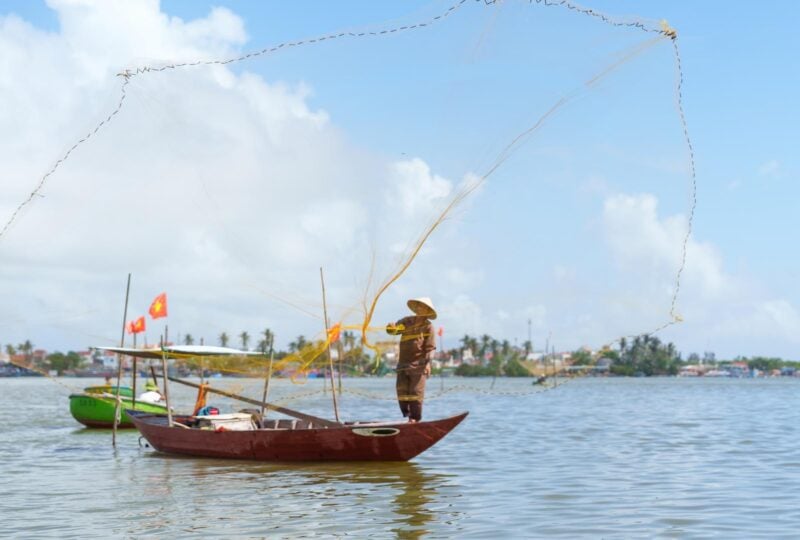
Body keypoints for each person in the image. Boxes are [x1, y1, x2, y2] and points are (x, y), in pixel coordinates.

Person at [386, 297, 437, 423]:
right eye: (418, 306)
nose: (420, 308)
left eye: (423, 307)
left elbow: (430, 348)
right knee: (402, 392)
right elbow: (393, 331)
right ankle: (408, 417)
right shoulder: (407, 321)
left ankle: (415, 419)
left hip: (419, 366)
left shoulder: (428, 327)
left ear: (427, 310)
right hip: (403, 365)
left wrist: (428, 364)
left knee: (415, 393)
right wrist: (391, 327)